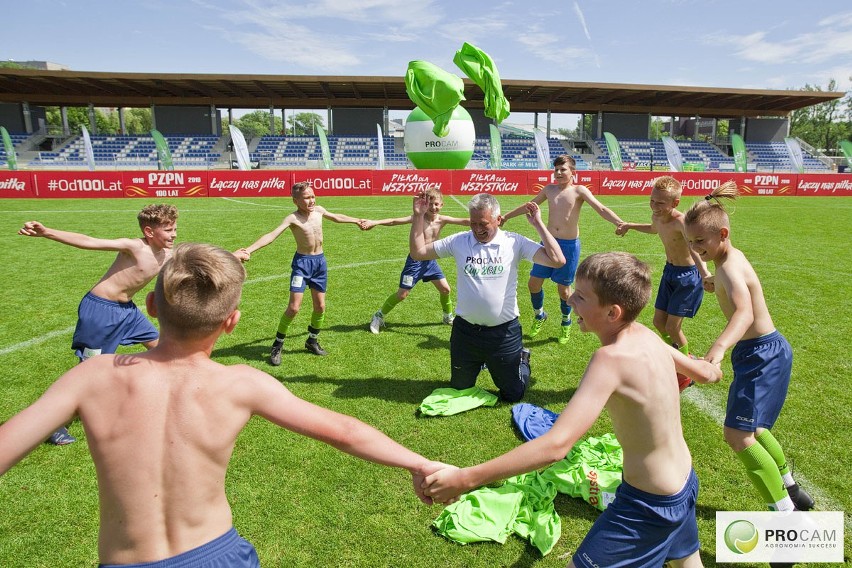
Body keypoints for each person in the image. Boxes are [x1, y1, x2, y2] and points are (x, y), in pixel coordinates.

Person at [0, 242, 446, 567]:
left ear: (151, 306)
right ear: (232, 323)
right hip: (218, 555)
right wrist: (420, 463)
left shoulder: (94, 376)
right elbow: (345, 431)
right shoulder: (241, 384)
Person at [423, 252, 723, 568]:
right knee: (687, 563)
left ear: (612, 312)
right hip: (684, 482)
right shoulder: (646, 334)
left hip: (648, 503)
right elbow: (704, 374)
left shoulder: (610, 360)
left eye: (580, 297)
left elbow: (556, 446)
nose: (570, 300)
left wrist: (467, 478)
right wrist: (715, 363)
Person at [683, 182, 814, 515]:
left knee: (737, 435)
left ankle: (785, 516)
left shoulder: (729, 266)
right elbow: (731, 289)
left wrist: (720, 345)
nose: (696, 248)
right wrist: (714, 283)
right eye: (691, 242)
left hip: (762, 354)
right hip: (760, 352)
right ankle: (793, 490)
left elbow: (745, 312)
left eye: (701, 241)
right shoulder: (729, 261)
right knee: (754, 429)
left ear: (722, 233)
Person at [18, 204, 178, 445]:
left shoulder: (168, 253)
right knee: (88, 371)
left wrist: (233, 256)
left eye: (175, 228)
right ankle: (49, 423)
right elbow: (88, 240)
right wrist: (47, 232)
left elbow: (199, 256)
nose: (174, 234)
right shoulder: (134, 247)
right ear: (149, 231)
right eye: (168, 230)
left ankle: (170, 398)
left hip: (128, 312)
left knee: (164, 348)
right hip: (100, 311)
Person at [409, 192, 565, 402]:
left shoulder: (514, 242)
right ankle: (481, 361)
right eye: (473, 223)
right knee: (460, 388)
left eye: (483, 224)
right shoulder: (459, 241)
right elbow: (418, 252)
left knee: (513, 394)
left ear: (498, 220)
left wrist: (538, 224)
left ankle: (523, 359)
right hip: (466, 332)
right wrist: (418, 216)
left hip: (504, 333)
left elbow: (557, 260)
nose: (477, 229)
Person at [501, 155, 625, 345]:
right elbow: (529, 206)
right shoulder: (549, 190)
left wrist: (619, 222)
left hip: (568, 246)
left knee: (564, 291)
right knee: (534, 284)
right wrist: (506, 217)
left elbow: (600, 208)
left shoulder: (579, 190)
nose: (558, 173)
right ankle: (539, 315)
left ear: (573, 172)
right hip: (547, 243)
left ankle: (566, 322)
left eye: (563, 170)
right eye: (556, 170)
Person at [235, 182, 365, 362]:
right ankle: (277, 344)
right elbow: (272, 235)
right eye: (306, 198)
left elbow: (336, 217)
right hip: (302, 265)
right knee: (294, 307)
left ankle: (312, 340)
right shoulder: (292, 218)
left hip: (320, 263)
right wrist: (249, 249)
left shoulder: (319, 210)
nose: (311, 200)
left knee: (320, 307)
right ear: (296, 201)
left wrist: (356, 220)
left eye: (312, 196)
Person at [616, 175, 713, 390]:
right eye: (652, 200)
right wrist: (630, 225)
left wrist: (705, 273)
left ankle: (686, 373)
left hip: (688, 277)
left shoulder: (681, 221)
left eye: (660, 203)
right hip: (669, 273)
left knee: (672, 326)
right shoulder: (657, 217)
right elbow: (653, 229)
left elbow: (694, 250)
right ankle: (682, 356)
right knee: (659, 322)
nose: (655, 206)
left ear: (675, 203)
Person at [362, 186, 469, 334]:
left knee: (445, 289)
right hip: (414, 262)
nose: (433, 207)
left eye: (436, 204)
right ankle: (378, 316)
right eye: (430, 204)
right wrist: (375, 222)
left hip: (430, 261)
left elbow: (464, 221)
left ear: (442, 205)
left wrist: (487, 221)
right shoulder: (418, 218)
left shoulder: (442, 220)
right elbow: (394, 221)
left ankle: (447, 316)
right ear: (425, 204)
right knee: (402, 295)